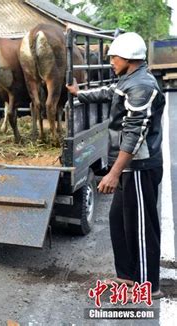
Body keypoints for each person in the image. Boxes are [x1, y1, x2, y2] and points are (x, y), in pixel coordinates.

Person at [66, 32, 166, 299]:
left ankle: (148, 285)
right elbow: (110, 92)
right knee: (118, 222)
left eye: (114, 56)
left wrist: (113, 173)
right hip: (128, 168)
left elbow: (135, 134)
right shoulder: (129, 80)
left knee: (142, 227)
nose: (110, 60)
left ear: (130, 58)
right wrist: (80, 94)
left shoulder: (143, 86)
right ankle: (127, 276)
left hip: (139, 167)